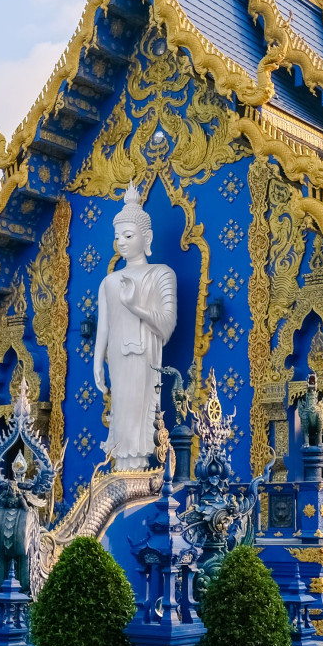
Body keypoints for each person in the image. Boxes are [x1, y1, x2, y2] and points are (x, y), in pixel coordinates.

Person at [93, 182, 177, 467]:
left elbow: (166, 325)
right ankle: (121, 466)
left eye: (129, 235)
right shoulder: (109, 281)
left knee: (140, 414)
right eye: (118, 237)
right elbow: (104, 327)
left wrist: (135, 306)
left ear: (146, 237)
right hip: (117, 357)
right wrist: (97, 362)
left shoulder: (161, 274)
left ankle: (139, 467)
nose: (122, 242)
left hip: (145, 357)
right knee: (120, 410)